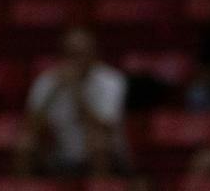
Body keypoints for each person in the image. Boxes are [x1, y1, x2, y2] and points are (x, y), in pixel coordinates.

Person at [15, 26, 128, 177]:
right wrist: (53, 92)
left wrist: (77, 92)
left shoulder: (110, 81)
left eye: (80, 54)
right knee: (25, 143)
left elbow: (105, 127)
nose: (75, 60)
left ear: (93, 54)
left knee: (99, 141)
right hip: (58, 151)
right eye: (70, 54)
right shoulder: (47, 81)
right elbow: (31, 126)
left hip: (103, 155)